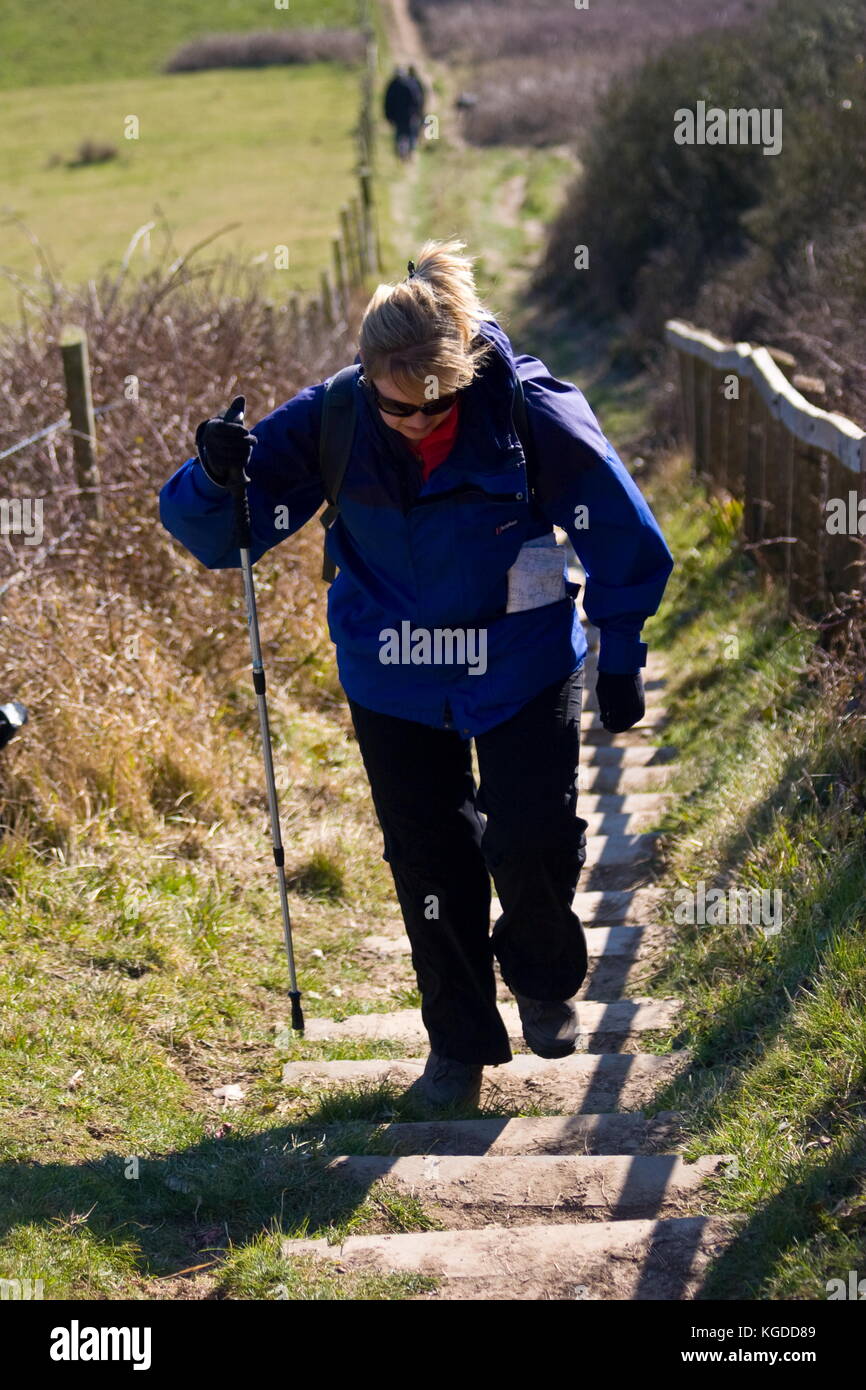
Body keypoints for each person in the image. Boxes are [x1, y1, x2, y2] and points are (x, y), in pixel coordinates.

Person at [159, 240, 674, 1109]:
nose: (419, 425)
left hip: (519, 658)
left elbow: (622, 531)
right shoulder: (333, 418)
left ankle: (544, 979)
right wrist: (213, 477)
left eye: (436, 410)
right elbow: (227, 538)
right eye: (399, 411)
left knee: (532, 836)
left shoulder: (528, 410)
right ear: (367, 377)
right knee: (431, 863)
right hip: (391, 672)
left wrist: (620, 654)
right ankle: (458, 1048)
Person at [383, 65, 423, 159]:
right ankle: (409, 153)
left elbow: (387, 102)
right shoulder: (410, 84)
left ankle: (402, 154)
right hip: (408, 115)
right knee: (409, 134)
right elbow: (416, 100)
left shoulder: (392, 85)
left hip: (398, 116)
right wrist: (417, 112)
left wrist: (388, 115)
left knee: (400, 134)